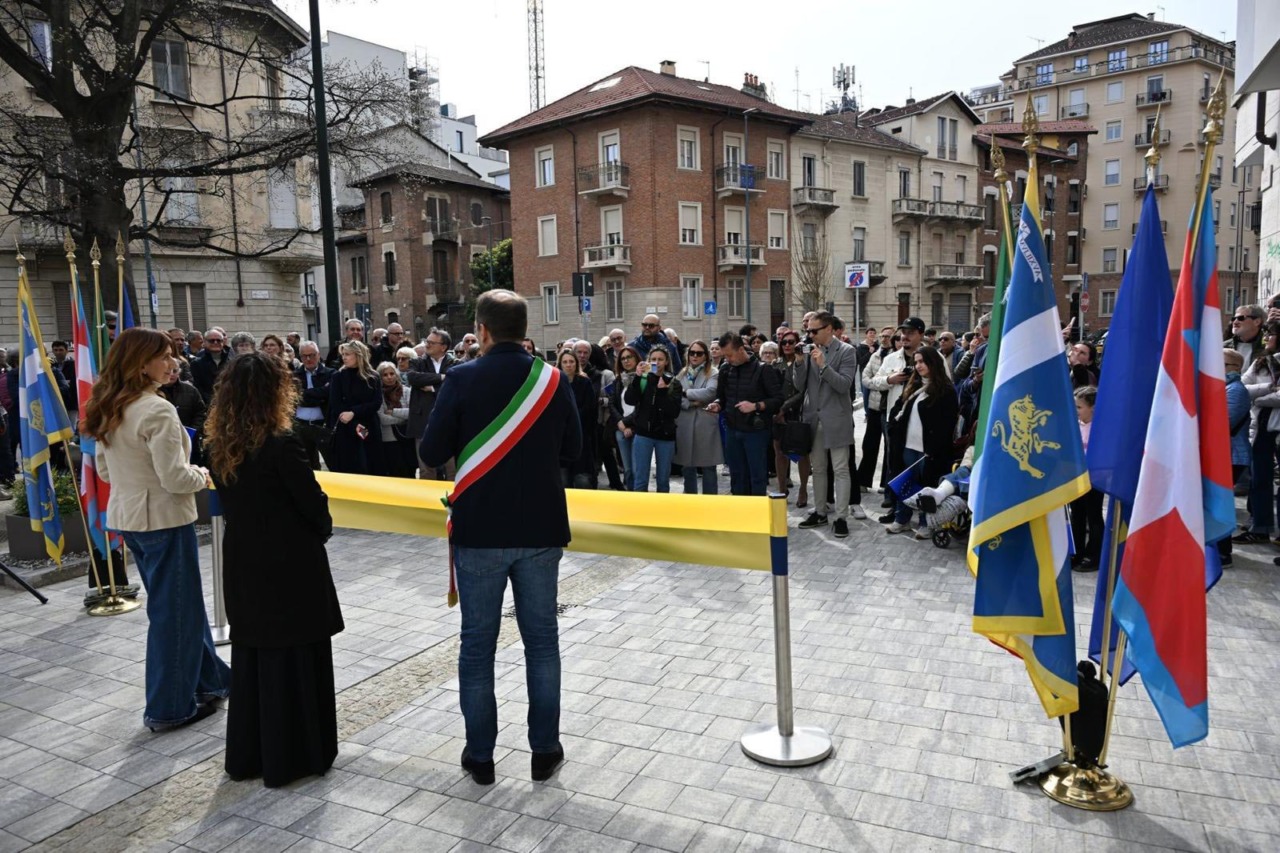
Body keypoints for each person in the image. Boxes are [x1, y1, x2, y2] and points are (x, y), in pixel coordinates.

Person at [419, 289, 581, 786]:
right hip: (540, 528)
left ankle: (481, 757)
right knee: (542, 645)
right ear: (524, 328)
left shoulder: (461, 377)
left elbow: (430, 450)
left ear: (482, 331)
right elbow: (575, 449)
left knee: (477, 648)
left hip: (480, 531)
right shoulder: (552, 379)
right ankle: (545, 751)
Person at [205, 352, 344, 787]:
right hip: (289, 564)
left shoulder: (217, 445)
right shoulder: (282, 444)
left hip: (245, 558)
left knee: (255, 658)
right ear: (275, 393)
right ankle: (297, 755)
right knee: (297, 656)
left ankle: (251, 754)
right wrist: (321, 530)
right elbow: (313, 505)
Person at [82, 328, 229, 731]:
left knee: (181, 606)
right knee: (174, 614)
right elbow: (176, 479)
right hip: (164, 519)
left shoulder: (109, 405)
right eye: (164, 356)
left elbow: (106, 470)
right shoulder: (155, 409)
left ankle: (211, 680)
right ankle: (168, 707)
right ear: (139, 363)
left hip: (129, 518)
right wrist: (201, 473)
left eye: (173, 355)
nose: (173, 362)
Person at [796, 312, 863, 538]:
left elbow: (844, 385)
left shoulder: (847, 351)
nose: (810, 334)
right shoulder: (808, 350)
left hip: (837, 418)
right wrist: (798, 364)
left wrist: (824, 366)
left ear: (828, 328)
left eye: (814, 331)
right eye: (808, 331)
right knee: (819, 469)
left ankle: (841, 517)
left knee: (841, 469)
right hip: (813, 418)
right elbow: (799, 385)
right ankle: (820, 511)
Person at [885, 346, 958, 536]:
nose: (918, 366)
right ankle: (902, 519)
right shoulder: (914, 386)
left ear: (933, 363)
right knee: (907, 483)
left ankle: (927, 523)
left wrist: (935, 447)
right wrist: (892, 426)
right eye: (916, 362)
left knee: (928, 486)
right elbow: (898, 408)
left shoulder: (946, 390)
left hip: (930, 450)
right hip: (908, 445)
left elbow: (947, 424)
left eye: (922, 362)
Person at [707, 333, 783, 496]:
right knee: (737, 476)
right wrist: (717, 405)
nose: (727, 359)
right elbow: (722, 396)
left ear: (741, 349)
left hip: (756, 432)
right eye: (724, 356)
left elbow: (778, 400)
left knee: (757, 476)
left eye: (729, 355)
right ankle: (740, 514)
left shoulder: (764, 369)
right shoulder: (726, 369)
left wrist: (756, 406)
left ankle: (757, 514)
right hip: (733, 430)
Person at [866, 317, 926, 517]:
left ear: (921, 335)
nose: (905, 336)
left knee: (918, 464)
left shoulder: (932, 357)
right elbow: (873, 381)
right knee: (895, 461)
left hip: (921, 420)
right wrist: (890, 379)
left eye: (910, 332)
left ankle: (919, 506)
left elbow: (944, 383)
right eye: (903, 332)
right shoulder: (891, 359)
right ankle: (895, 505)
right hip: (895, 417)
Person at [1237, 323, 1280, 543]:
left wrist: (1261, 397)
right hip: (1260, 428)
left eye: (1271, 334)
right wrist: (1267, 390)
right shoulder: (1262, 361)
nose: (1266, 339)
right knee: (1259, 479)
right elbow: (1243, 387)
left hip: (1277, 427)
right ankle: (1260, 526)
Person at [625, 344, 682, 493]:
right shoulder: (643, 379)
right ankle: (640, 513)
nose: (657, 362)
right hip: (643, 434)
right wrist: (637, 378)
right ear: (648, 361)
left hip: (665, 435)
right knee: (641, 480)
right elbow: (630, 400)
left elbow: (674, 412)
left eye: (660, 359)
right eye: (653, 359)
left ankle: (661, 514)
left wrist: (663, 392)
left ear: (666, 362)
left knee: (663, 481)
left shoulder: (673, 382)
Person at [326, 340, 382, 475]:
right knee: (349, 466)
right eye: (343, 354)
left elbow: (376, 402)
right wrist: (353, 421)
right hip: (346, 427)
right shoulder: (338, 376)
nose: (344, 357)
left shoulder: (373, 376)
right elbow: (336, 403)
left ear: (358, 355)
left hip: (368, 425)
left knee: (370, 464)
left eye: (347, 354)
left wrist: (354, 412)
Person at [406, 330, 456, 479]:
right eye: (426, 341)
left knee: (452, 468)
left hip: (448, 423)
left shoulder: (455, 363)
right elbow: (413, 378)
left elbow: (454, 383)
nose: (426, 345)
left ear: (443, 346)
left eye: (431, 343)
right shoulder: (417, 362)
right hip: (422, 421)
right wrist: (441, 377)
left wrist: (433, 388)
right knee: (426, 469)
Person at [675, 340, 721, 495]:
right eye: (692, 353)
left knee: (708, 465)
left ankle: (710, 502)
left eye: (699, 353)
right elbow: (674, 396)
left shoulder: (713, 372)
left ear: (706, 356)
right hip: (685, 422)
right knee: (687, 465)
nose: (695, 356)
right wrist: (692, 403)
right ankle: (690, 500)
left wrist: (685, 393)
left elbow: (710, 392)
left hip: (705, 422)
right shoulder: (682, 373)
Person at [1220, 349, 1251, 567]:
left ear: (1234, 367)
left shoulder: (1235, 390)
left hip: (1232, 455)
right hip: (1225, 454)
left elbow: (1223, 423)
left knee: (1219, 501)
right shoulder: (1225, 388)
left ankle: (1223, 552)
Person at [773, 329, 810, 505]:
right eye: (784, 342)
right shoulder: (776, 363)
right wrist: (777, 409)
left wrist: (785, 407)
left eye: (791, 342)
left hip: (798, 412)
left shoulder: (803, 362)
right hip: (778, 414)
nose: (787, 345)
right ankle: (782, 489)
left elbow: (803, 391)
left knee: (801, 453)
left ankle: (803, 490)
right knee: (779, 452)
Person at [1070, 386, 1104, 570]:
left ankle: (1094, 556)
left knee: (1093, 516)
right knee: (1077, 515)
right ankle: (1077, 551)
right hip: (1076, 477)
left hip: (1094, 479)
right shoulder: (1076, 425)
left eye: (1079, 407)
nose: (1076, 411)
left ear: (1092, 407)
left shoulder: (1099, 427)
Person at [557, 350, 597, 488]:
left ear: (576, 363)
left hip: (581, 435)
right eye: (565, 362)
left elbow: (590, 408)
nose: (569, 365)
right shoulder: (555, 384)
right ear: (560, 364)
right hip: (561, 439)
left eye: (571, 361)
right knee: (563, 481)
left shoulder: (585, 382)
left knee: (582, 480)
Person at [292, 341, 334, 471]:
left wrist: (305, 395)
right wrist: (320, 394)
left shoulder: (331, 373)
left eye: (312, 355)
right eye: (305, 356)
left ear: (319, 355)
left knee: (333, 462)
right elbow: (293, 398)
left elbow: (329, 395)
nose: (309, 359)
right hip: (301, 425)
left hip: (323, 424)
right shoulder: (294, 376)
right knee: (309, 466)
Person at [158, 357, 206, 462]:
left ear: (179, 373)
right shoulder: (153, 391)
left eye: (174, 371)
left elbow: (200, 412)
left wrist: (193, 430)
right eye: (168, 371)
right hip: (164, 440)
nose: (171, 374)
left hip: (190, 440)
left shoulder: (191, 390)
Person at [609, 346, 642, 490]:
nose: (626, 361)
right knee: (627, 470)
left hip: (638, 428)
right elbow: (612, 403)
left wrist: (627, 423)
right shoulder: (618, 380)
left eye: (629, 357)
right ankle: (629, 497)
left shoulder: (644, 378)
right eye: (623, 358)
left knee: (637, 469)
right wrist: (620, 423)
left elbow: (643, 406)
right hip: (621, 429)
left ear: (636, 358)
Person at [376, 361, 414, 477]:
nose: (389, 377)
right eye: (385, 375)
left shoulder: (407, 391)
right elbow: (383, 419)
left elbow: (413, 413)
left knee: (410, 471)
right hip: (389, 439)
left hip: (407, 436)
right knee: (395, 472)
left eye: (392, 373)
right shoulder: (378, 394)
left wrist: (393, 412)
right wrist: (403, 418)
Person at [190, 328, 230, 403]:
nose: (215, 342)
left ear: (223, 342)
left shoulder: (232, 361)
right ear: (204, 342)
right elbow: (198, 387)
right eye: (211, 341)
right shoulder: (196, 363)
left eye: (219, 340)